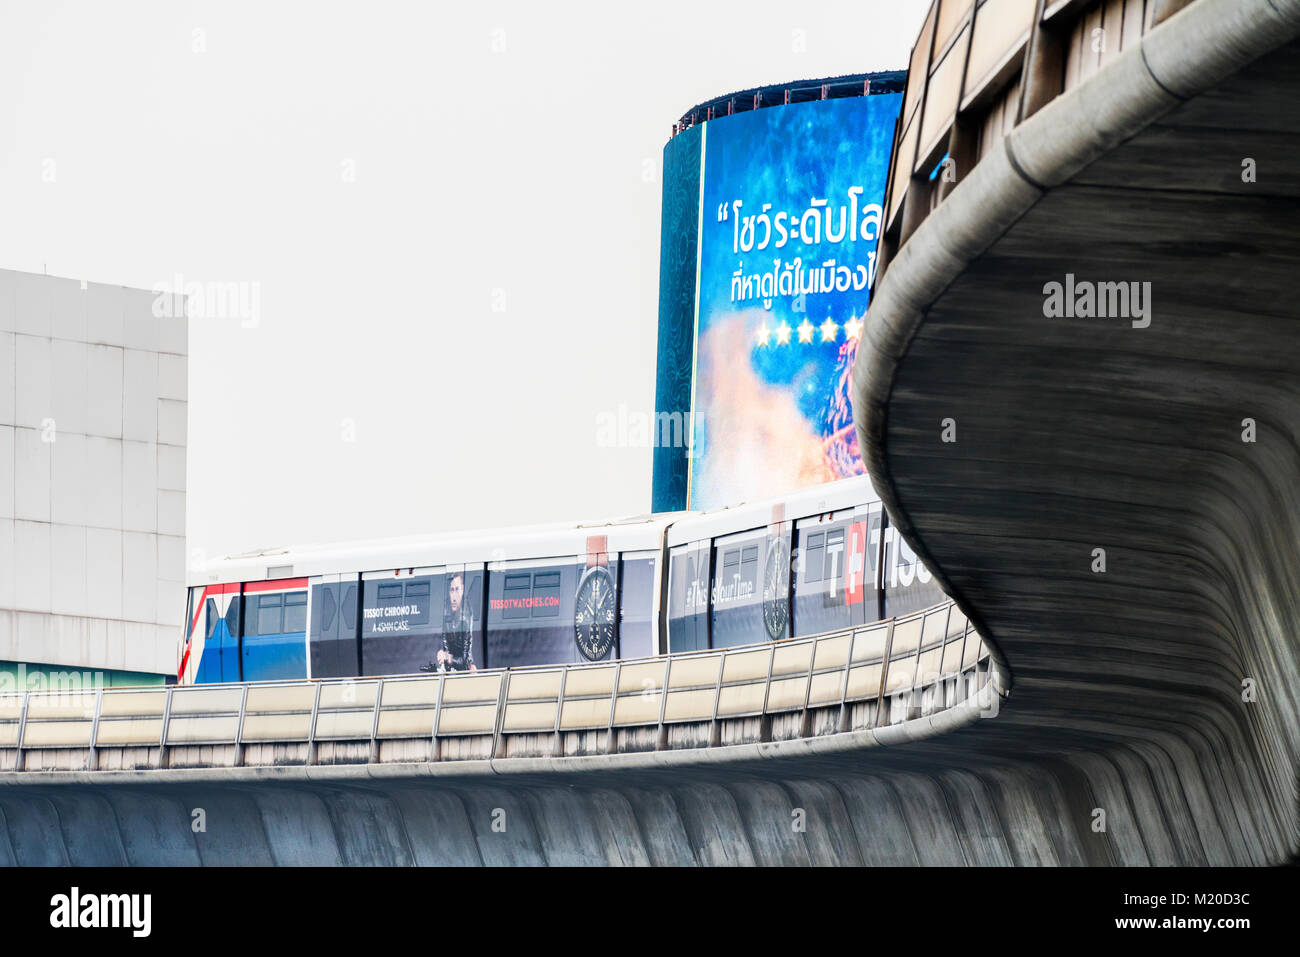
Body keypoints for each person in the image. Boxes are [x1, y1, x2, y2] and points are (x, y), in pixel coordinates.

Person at [436, 572, 476, 672]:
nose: (454, 597)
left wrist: (448, 657)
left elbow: (465, 662)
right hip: (453, 668)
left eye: (457, 589)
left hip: (466, 668)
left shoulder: (467, 616)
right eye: (451, 590)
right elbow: (446, 648)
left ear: (462, 589)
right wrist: (443, 655)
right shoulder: (446, 611)